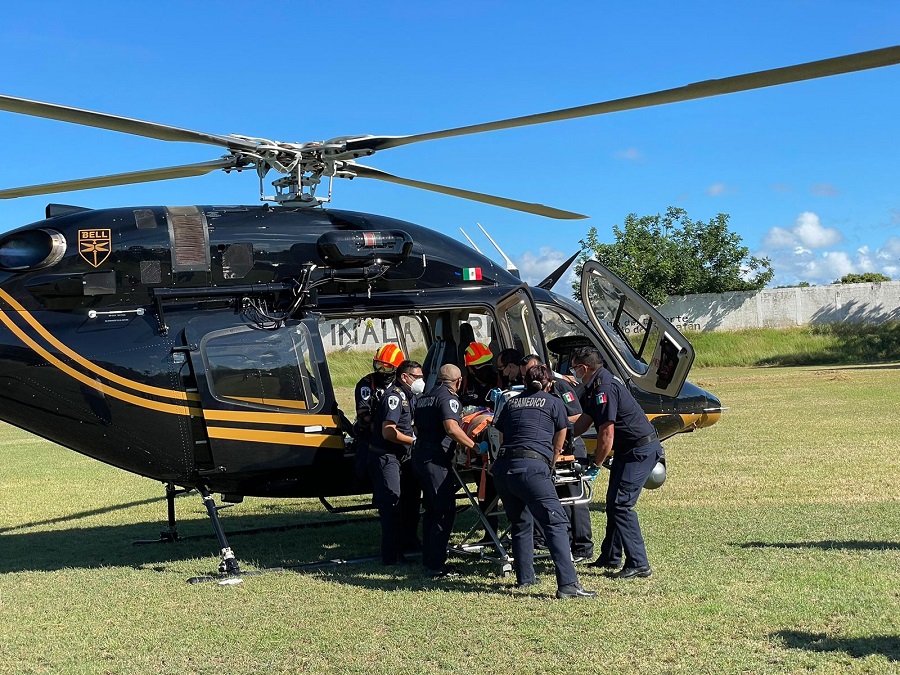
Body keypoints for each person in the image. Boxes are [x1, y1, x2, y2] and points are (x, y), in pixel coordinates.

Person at [492, 363, 596, 599]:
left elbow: (501, 434)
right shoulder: (553, 402)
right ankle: (568, 585)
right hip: (532, 468)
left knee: (520, 522)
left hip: (503, 469)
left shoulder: (511, 402)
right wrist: (553, 458)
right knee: (556, 524)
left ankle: (525, 578)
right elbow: (561, 434)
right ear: (549, 383)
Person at [571, 346, 660, 579]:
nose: (573, 373)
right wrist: (565, 435)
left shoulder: (605, 387)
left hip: (639, 449)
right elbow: (586, 420)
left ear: (583, 368)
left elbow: (606, 433)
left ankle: (639, 563)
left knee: (621, 505)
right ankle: (611, 556)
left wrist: (596, 464)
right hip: (627, 449)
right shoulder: (595, 385)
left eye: (574, 369)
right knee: (613, 503)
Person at [519, 354, 594, 563]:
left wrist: (552, 420)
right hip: (551, 450)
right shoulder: (534, 393)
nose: (530, 379)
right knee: (559, 500)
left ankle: (582, 547)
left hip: (570, 445)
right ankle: (567, 542)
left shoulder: (560, 387)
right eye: (526, 376)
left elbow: (579, 415)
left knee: (575, 500)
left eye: (533, 374)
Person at [413, 363, 479, 578]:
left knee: (431, 510)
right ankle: (436, 565)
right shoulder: (448, 398)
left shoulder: (425, 397)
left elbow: (416, 427)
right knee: (443, 510)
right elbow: (451, 428)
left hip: (421, 456)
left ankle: (428, 558)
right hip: (436, 460)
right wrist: (474, 446)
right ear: (458, 382)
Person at [368, 360, 425, 565]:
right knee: (392, 503)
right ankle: (392, 556)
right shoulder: (395, 397)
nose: (421, 381)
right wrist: (415, 441)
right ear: (405, 377)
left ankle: (409, 542)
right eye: (417, 377)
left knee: (410, 501)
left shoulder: (410, 396)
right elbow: (388, 431)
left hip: (403, 456)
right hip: (387, 456)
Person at [353, 344, 406, 482]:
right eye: (378, 366)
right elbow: (363, 415)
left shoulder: (402, 384)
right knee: (362, 473)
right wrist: (381, 428)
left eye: (387, 367)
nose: (382, 371)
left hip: (400, 435)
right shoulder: (366, 384)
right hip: (372, 437)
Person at [461, 342, 499, 409]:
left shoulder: (500, 380)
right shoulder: (464, 385)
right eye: (480, 366)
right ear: (470, 369)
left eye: (488, 363)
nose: (486, 369)